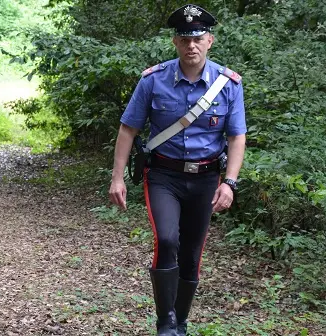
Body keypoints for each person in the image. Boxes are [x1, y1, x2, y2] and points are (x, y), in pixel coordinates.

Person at [108, 4, 246, 336]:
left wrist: (230, 182)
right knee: (167, 239)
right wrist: (117, 177)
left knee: (192, 251)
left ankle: (180, 320)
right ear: (175, 42)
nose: (191, 45)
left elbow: (237, 136)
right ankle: (164, 322)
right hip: (163, 176)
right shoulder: (153, 81)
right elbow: (128, 129)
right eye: (184, 39)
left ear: (209, 40)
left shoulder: (229, 85)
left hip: (206, 178)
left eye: (198, 38)